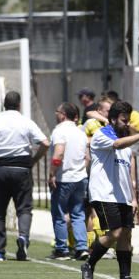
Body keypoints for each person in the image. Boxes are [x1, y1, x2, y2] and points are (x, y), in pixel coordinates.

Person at [80, 100, 139, 279]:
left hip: (122, 196)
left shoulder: (127, 146)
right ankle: (88, 264)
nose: (127, 124)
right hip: (104, 194)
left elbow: (128, 174)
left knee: (126, 235)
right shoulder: (102, 135)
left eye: (128, 120)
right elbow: (116, 144)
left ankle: (125, 278)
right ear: (114, 119)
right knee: (115, 232)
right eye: (124, 120)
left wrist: (133, 198)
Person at [0, 91, 49, 262]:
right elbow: (45, 143)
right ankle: (23, 238)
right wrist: (34, 159)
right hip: (21, 168)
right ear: (19, 105)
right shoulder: (26, 122)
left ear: (4, 105)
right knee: (24, 208)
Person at [48, 102, 89, 260]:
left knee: (59, 213)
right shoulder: (81, 132)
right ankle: (81, 247)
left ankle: (61, 249)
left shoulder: (60, 130)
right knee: (78, 214)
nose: (56, 114)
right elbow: (88, 157)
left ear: (63, 115)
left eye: (57, 111)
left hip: (64, 178)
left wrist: (52, 173)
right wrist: (80, 170)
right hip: (80, 178)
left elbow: (58, 154)